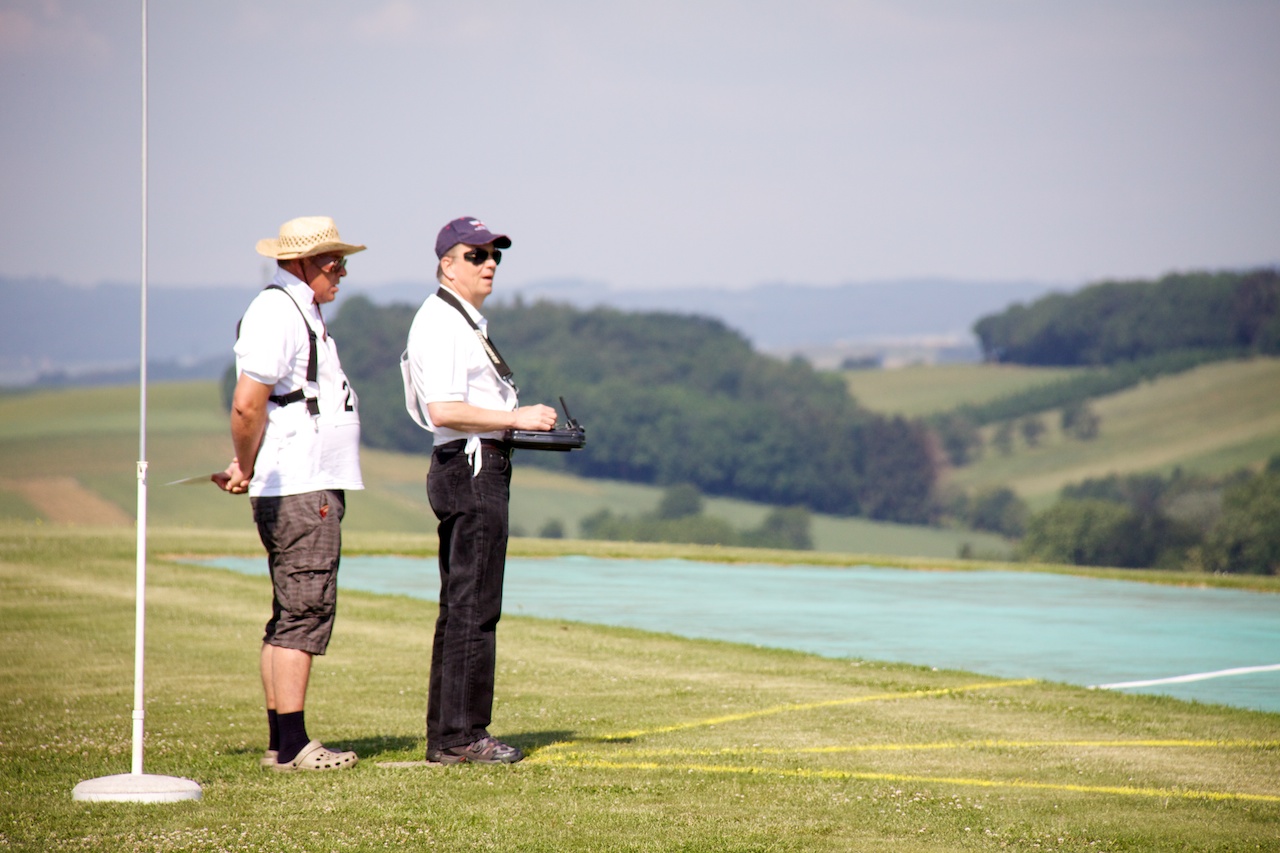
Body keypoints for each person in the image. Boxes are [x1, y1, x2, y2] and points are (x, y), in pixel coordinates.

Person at [403, 216, 558, 764]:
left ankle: (450, 735)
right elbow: (444, 409)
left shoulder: (458, 319)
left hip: (470, 464)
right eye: (477, 255)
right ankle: (462, 736)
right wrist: (515, 418)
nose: (489, 263)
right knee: (475, 605)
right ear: (447, 265)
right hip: (470, 467)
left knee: (462, 605)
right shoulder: (444, 321)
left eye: (495, 255)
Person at [216, 215, 366, 772]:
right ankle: (295, 745)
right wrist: (247, 464)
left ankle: (282, 744)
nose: (342, 272)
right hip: (302, 485)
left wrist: (248, 464)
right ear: (301, 264)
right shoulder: (278, 311)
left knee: (290, 612)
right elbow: (247, 404)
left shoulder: (299, 310)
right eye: (333, 262)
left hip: (302, 480)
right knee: (305, 609)